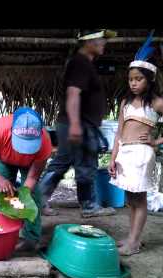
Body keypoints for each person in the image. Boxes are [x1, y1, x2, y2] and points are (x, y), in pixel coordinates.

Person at [109, 33, 163, 256]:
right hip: (125, 154)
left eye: (138, 79)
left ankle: (134, 242)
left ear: (149, 79)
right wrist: (112, 158)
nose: (133, 83)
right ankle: (132, 238)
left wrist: (156, 141)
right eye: (131, 79)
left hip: (142, 155)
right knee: (130, 199)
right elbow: (118, 134)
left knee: (140, 199)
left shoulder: (157, 103)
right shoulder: (125, 102)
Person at [39, 29, 117, 218]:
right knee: (76, 164)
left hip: (80, 124)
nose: (104, 43)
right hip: (77, 124)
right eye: (101, 39)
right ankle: (86, 205)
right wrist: (75, 123)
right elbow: (73, 93)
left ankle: (40, 200)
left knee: (73, 162)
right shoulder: (80, 63)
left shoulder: (84, 63)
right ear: (88, 42)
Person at [0, 107, 52, 251]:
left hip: (30, 164)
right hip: (3, 159)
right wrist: (0, 179)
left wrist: (24, 193)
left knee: (32, 197)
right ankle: (4, 233)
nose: (23, 150)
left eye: (29, 145)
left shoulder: (45, 143)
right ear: (11, 131)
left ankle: (31, 239)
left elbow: (32, 177)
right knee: (4, 196)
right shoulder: (0, 130)